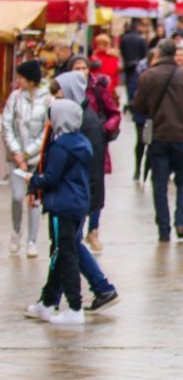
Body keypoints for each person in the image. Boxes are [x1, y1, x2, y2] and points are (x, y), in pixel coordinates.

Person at [48, 71, 122, 312]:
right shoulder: (75, 116)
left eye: (60, 91)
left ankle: (97, 289)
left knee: (68, 244)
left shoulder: (84, 121)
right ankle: (53, 297)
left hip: (76, 196)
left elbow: (90, 166)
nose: (56, 96)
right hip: (76, 195)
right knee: (67, 245)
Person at [23, 98, 92, 325]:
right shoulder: (83, 142)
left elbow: (52, 178)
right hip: (78, 204)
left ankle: (75, 306)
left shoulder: (60, 145)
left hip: (62, 206)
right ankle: (47, 302)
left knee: (64, 255)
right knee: (61, 253)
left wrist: (32, 180)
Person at [132, 39, 183, 242]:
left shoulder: (148, 76)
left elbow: (139, 105)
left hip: (159, 135)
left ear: (159, 53)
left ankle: (163, 229)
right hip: (182, 135)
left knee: (159, 184)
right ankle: (181, 222)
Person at [2, 60, 50, 257]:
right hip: (15, 159)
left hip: (35, 160)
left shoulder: (46, 99)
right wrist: (16, 152)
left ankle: (32, 240)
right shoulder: (14, 98)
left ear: (31, 79)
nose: (18, 81)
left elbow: (46, 130)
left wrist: (28, 153)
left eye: (21, 77)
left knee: (34, 200)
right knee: (16, 196)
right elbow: (6, 125)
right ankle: (16, 231)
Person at [80, 56, 121, 254]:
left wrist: (104, 130)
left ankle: (93, 230)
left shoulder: (97, 89)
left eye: (83, 67)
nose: (81, 71)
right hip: (75, 146)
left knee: (96, 187)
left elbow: (114, 113)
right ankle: (79, 229)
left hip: (97, 146)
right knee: (78, 186)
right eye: (76, 67)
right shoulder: (66, 91)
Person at [129, 49, 158, 183]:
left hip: (156, 114)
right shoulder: (141, 71)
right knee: (141, 142)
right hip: (142, 113)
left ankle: (149, 169)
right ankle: (138, 168)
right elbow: (133, 89)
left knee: (153, 144)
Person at [119, 21, 148, 100]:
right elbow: (144, 53)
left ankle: (130, 99)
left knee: (129, 83)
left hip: (127, 64)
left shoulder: (124, 38)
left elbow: (122, 51)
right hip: (139, 65)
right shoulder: (141, 39)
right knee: (138, 83)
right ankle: (137, 99)